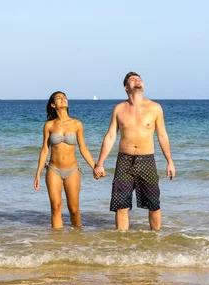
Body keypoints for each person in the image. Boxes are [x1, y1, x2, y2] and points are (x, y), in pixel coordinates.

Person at [94, 72, 175, 230]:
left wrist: (170, 162)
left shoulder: (155, 108)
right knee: (121, 205)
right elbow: (111, 136)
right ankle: (123, 243)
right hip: (124, 161)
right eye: (132, 79)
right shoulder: (119, 109)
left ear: (143, 86)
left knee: (153, 204)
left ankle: (155, 239)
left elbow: (162, 136)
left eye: (139, 79)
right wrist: (100, 164)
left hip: (147, 160)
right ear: (126, 87)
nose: (137, 80)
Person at [34, 91, 97, 228]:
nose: (63, 99)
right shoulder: (49, 125)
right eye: (59, 98)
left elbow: (83, 148)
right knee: (55, 207)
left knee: (74, 209)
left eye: (64, 97)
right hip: (53, 169)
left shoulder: (77, 124)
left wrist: (95, 167)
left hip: (72, 170)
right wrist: (38, 173)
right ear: (53, 105)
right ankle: (57, 243)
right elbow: (45, 149)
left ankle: (77, 239)